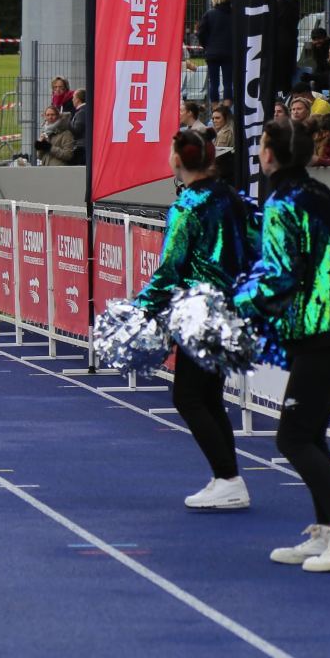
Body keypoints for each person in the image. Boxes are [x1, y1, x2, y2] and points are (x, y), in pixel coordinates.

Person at [236, 118, 330, 572]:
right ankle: (329, 530)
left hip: (324, 333)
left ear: (270, 155)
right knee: (311, 431)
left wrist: (233, 303)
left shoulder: (283, 203)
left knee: (293, 436)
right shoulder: (321, 194)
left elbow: (280, 275)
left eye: (262, 144)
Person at [131, 129, 257, 510]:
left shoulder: (186, 207)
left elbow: (170, 267)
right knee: (208, 397)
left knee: (187, 397)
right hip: (230, 309)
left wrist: (140, 309)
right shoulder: (232, 197)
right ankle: (227, 477)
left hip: (201, 312)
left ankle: (228, 478)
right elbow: (255, 244)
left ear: (178, 160)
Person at [196, 0, 233, 102]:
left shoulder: (209, 14)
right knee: (228, 83)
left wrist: (207, 46)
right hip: (230, 53)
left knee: (214, 83)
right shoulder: (235, 14)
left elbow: (201, 33)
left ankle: (215, 107)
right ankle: (227, 107)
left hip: (212, 53)